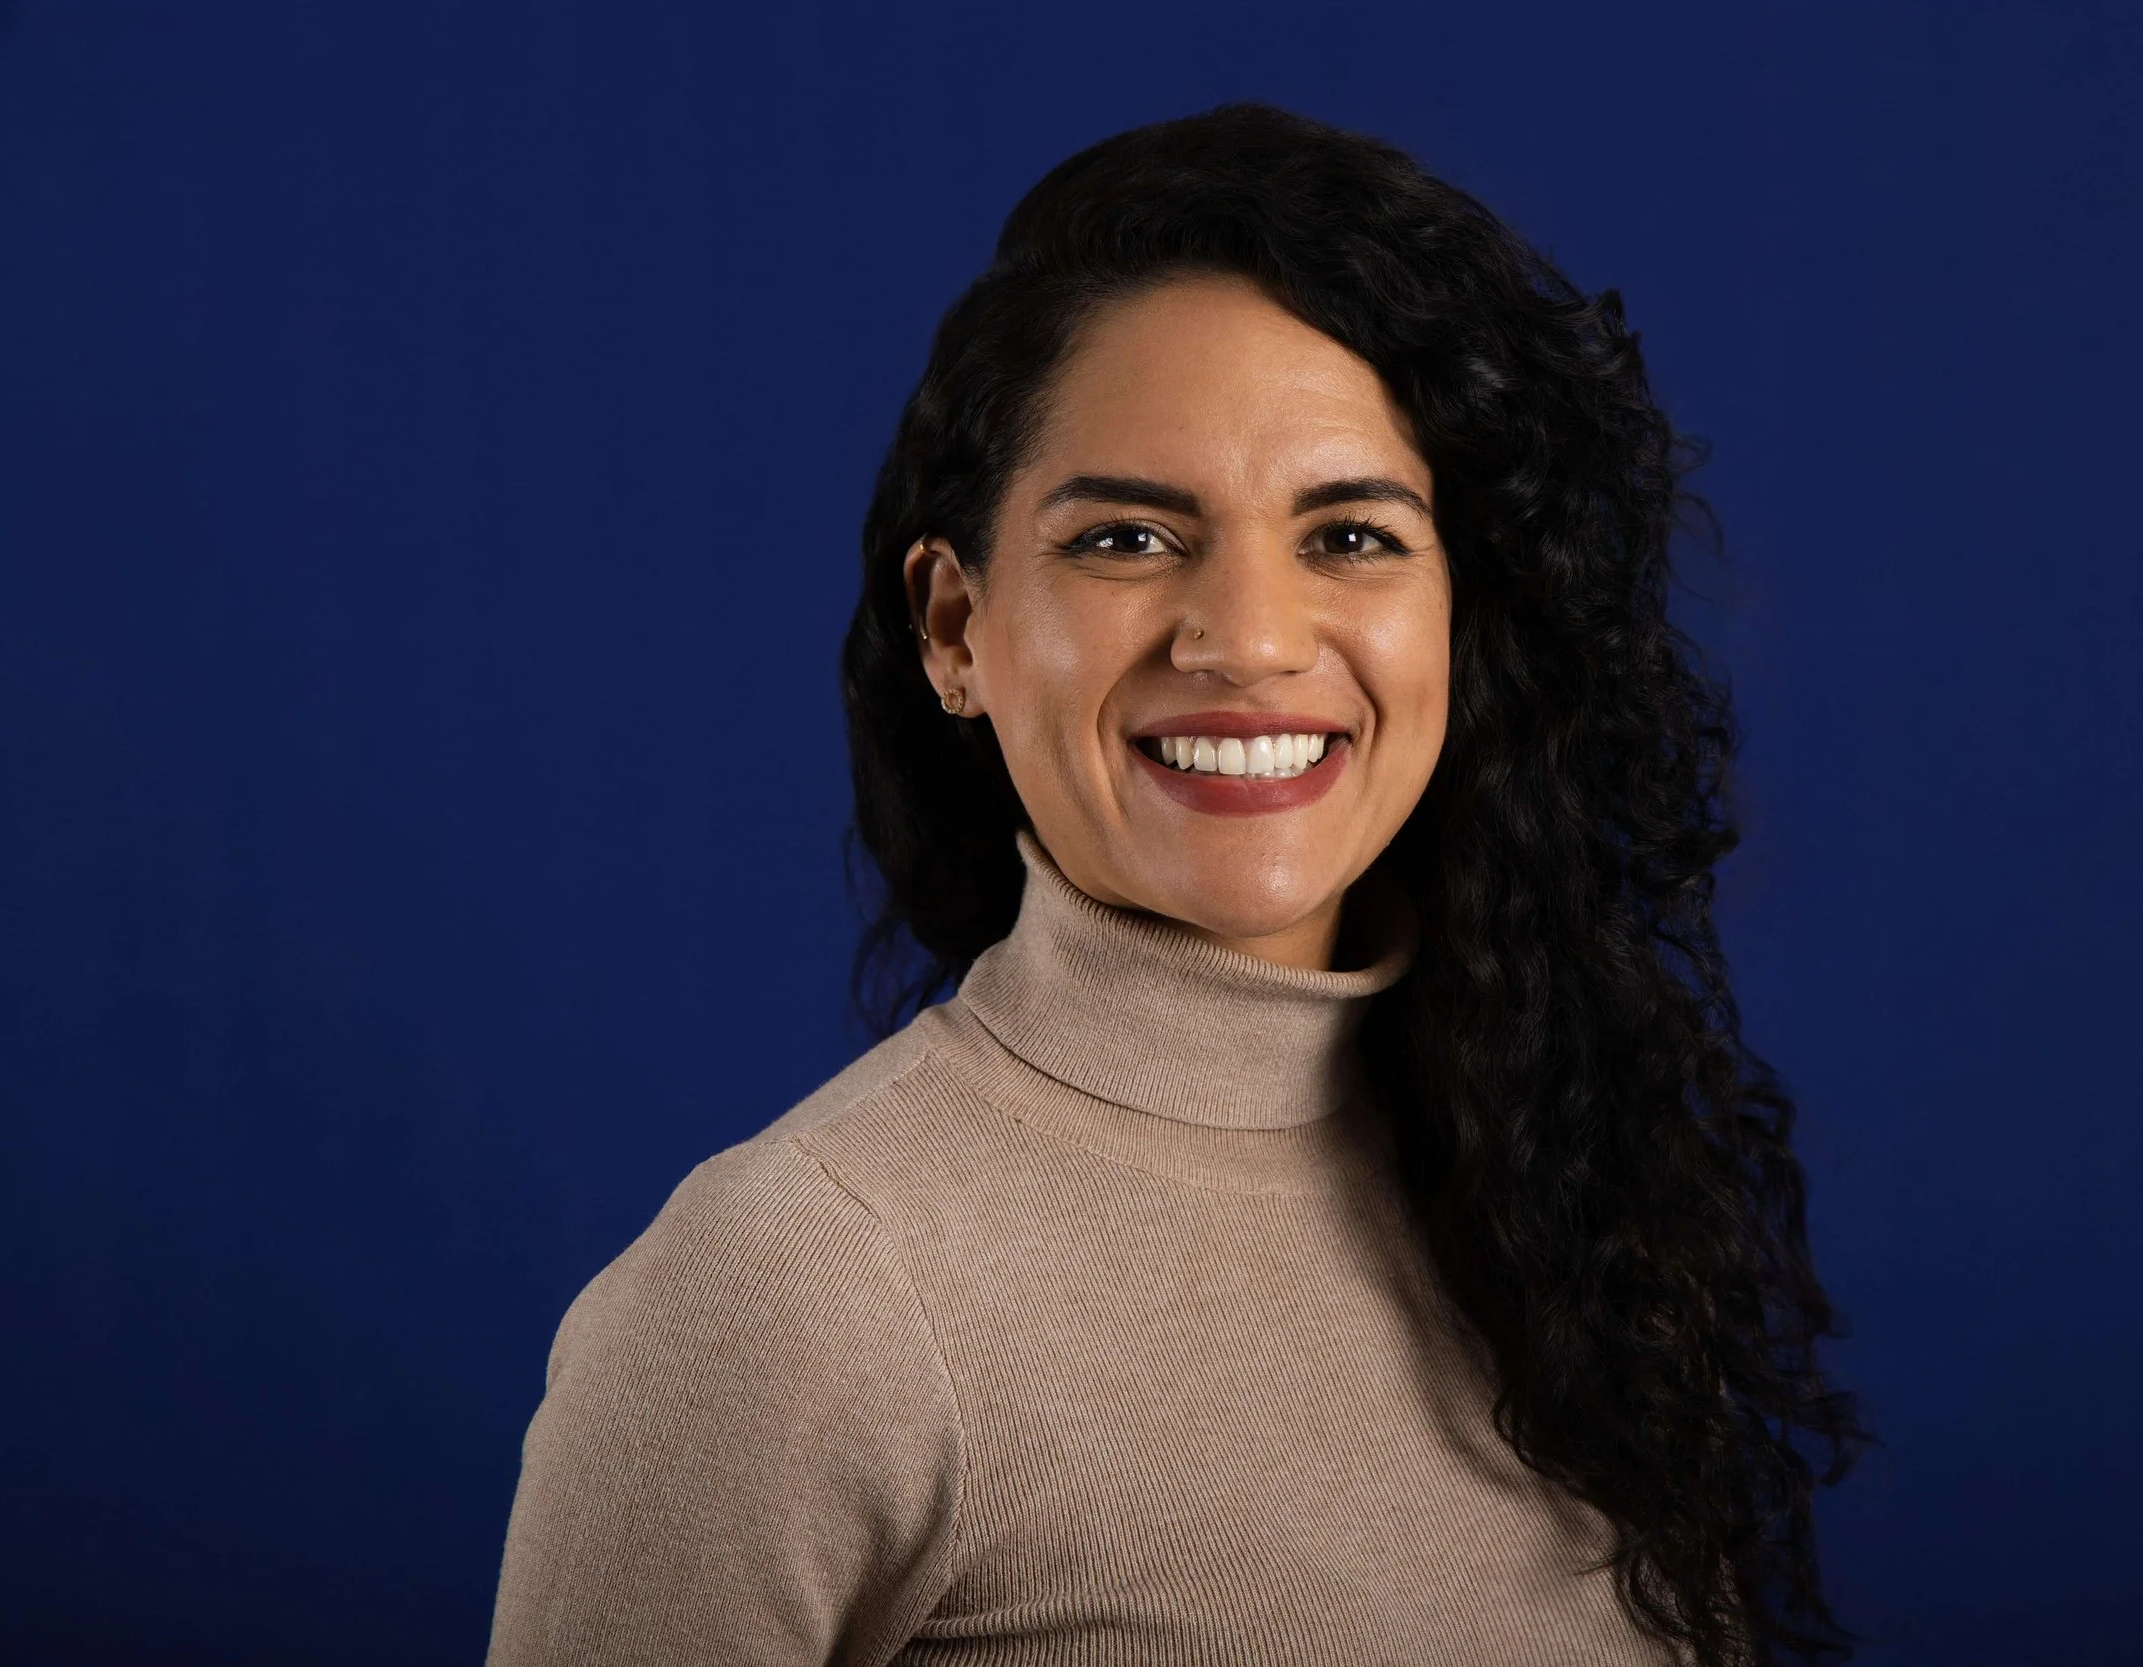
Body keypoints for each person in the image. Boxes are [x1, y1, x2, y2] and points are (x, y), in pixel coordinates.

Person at [488, 103, 1862, 1667]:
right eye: (1133, 535)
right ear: (955, 628)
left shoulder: (1564, 1186)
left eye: (1351, 533)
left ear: (1460, 621)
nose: (1251, 639)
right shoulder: (787, 1294)